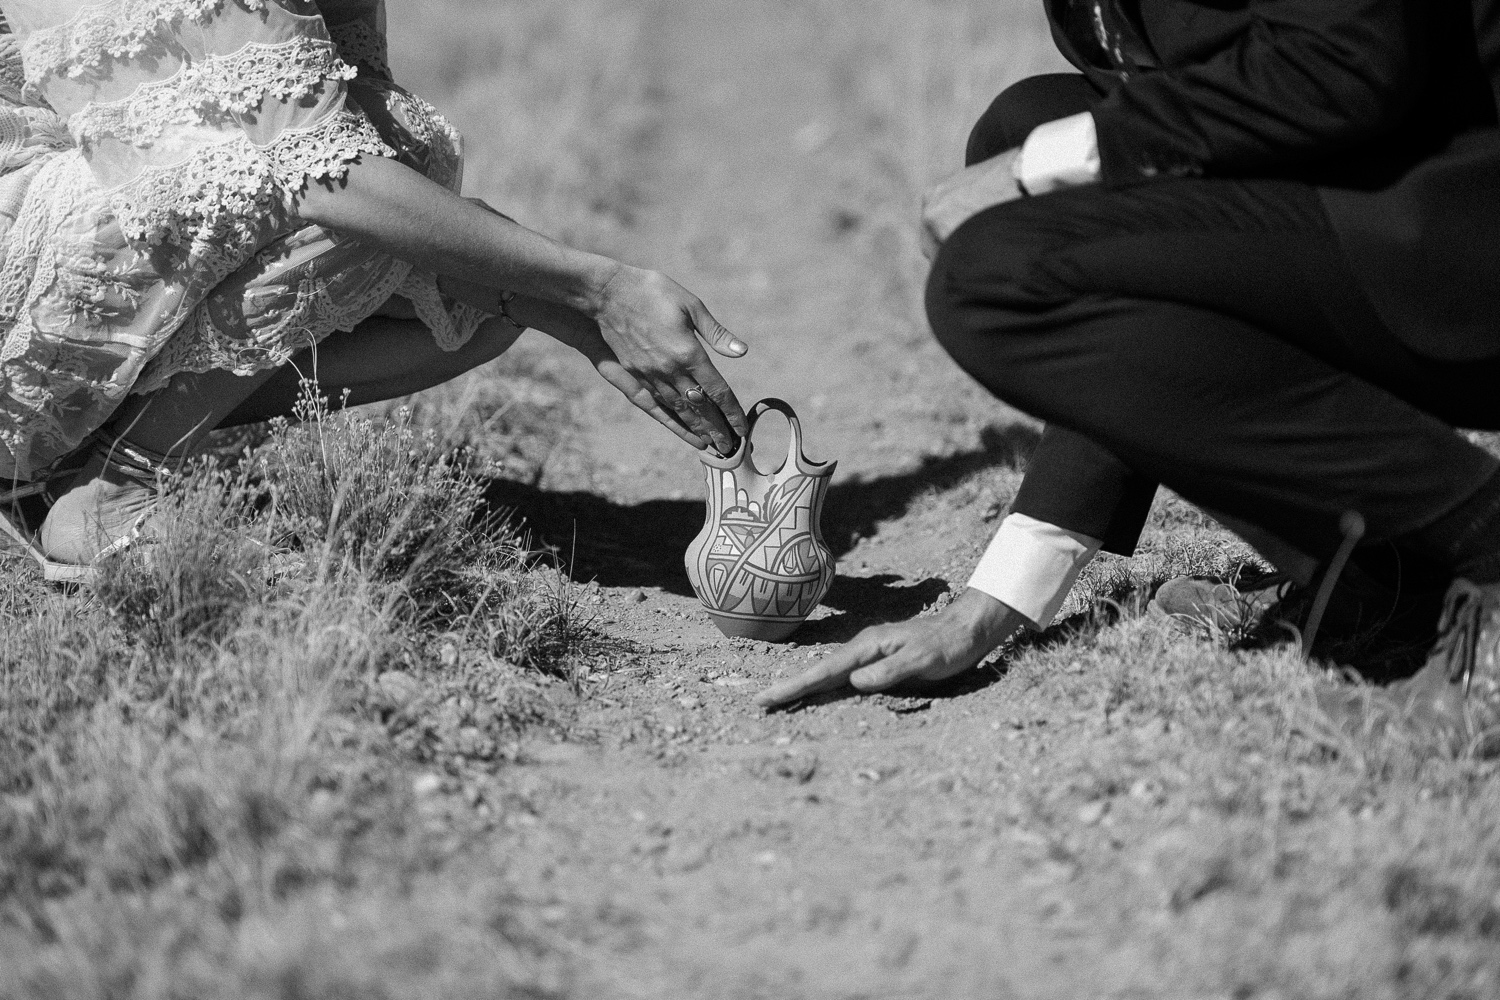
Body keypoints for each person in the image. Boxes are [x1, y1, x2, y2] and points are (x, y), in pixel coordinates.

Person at [758, 0, 1500, 749]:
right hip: (1378, 189)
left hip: (1460, 225)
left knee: (999, 261)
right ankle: (1385, 573)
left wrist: (1037, 169)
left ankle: (1484, 541)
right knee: (1030, 125)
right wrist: (989, 607)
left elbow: (1348, 59)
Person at [0, 0, 747, 583]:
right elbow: (329, 177)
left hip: (99, 199)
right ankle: (109, 488)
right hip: (22, 216)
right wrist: (597, 293)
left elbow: (363, 132)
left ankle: (87, 450)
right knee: (372, 197)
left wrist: (573, 318)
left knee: (476, 301)